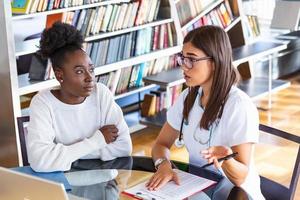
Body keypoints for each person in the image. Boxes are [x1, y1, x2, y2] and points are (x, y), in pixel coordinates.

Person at [147, 25, 264, 199]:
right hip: (199, 187)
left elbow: (241, 177)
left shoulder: (239, 106)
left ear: (215, 63)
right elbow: (161, 144)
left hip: (236, 194)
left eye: (192, 59)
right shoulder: (188, 97)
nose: (184, 67)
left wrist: (226, 160)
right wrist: (163, 164)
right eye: (182, 58)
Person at [27, 22, 132, 172]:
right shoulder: (43, 103)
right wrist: (98, 140)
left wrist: (67, 155)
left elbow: (123, 147)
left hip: (105, 184)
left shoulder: (101, 93)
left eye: (91, 69)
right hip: (64, 187)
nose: (90, 78)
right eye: (79, 72)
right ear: (59, 75)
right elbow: (39, 161)